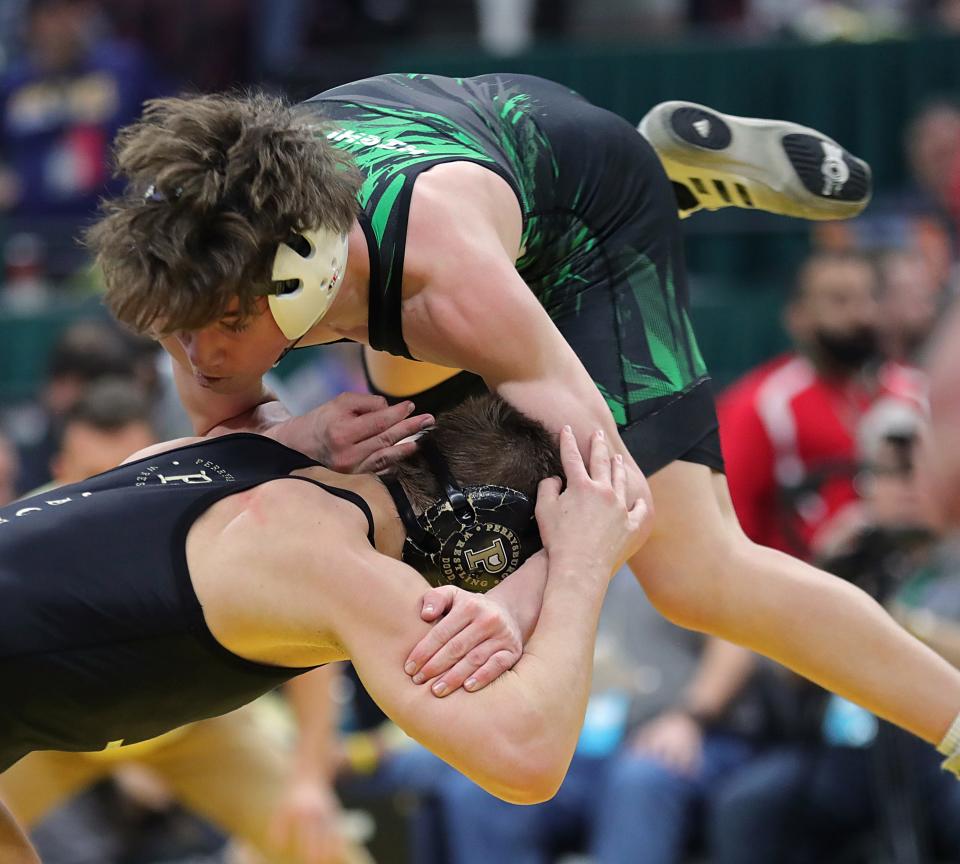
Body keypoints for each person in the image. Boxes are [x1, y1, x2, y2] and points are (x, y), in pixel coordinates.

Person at [83, 75, 960, 766]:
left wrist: (519, 601)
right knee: (356, 470)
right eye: (176, 330)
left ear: (296, 280)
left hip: (579, 216)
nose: (193, 357)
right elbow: (229, 434)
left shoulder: (443, 290)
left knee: (694, 573)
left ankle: (951, 718)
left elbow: (612, 494)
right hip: (433, 158)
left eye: (222, 328)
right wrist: (299, 432)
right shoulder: (211, 241)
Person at [0, 394, 648, 864]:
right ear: (473, 545)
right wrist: (581, 566)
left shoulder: (252, 448)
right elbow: (527, 765)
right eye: (509, 580)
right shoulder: (338, 566)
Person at [3, 377, 370, 864]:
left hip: (193, 730)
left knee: (323, 848)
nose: (114, 497)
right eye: (94, 476)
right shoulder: (25, 551)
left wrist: (310, 777)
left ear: (152, 463)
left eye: (123, 475)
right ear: (60, 472)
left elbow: (311, 640)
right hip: (53, 739)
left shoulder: (209, 531)